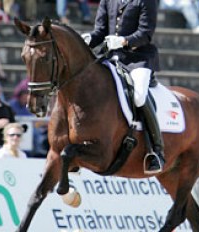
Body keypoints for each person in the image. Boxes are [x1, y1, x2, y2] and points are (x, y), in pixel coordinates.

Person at [81, 0, 164, 174]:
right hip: (111, 57)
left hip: (138, 58)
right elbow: (100, 31)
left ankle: (156, 150)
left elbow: (145, 34)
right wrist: (89, 38)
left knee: (139, 95)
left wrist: (124, 41)